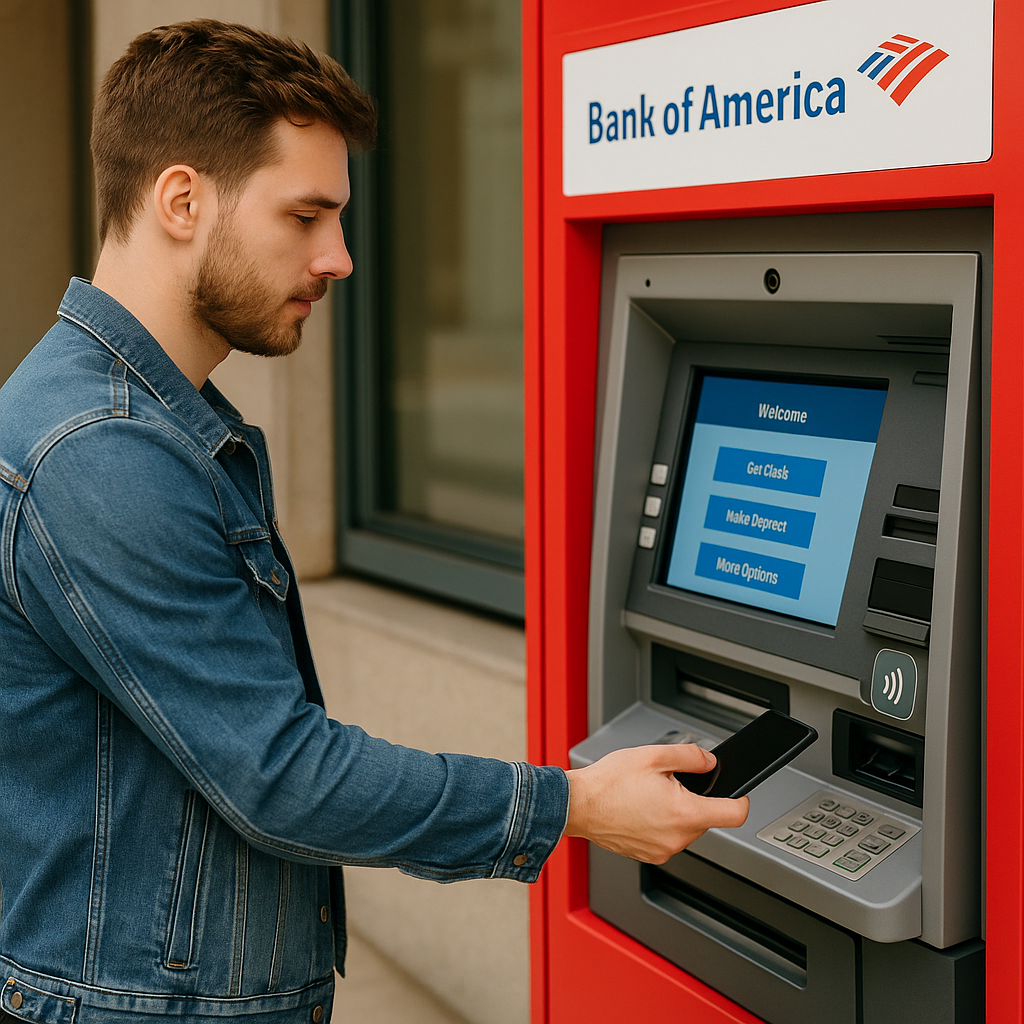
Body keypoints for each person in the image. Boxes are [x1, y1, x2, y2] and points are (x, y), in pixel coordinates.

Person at [0, 20, 748, 1024]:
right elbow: (282, 776)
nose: (340, 257)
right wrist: (572, 805)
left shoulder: (153, 419)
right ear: (181, 200)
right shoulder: (100, 450)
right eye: (306, 215)